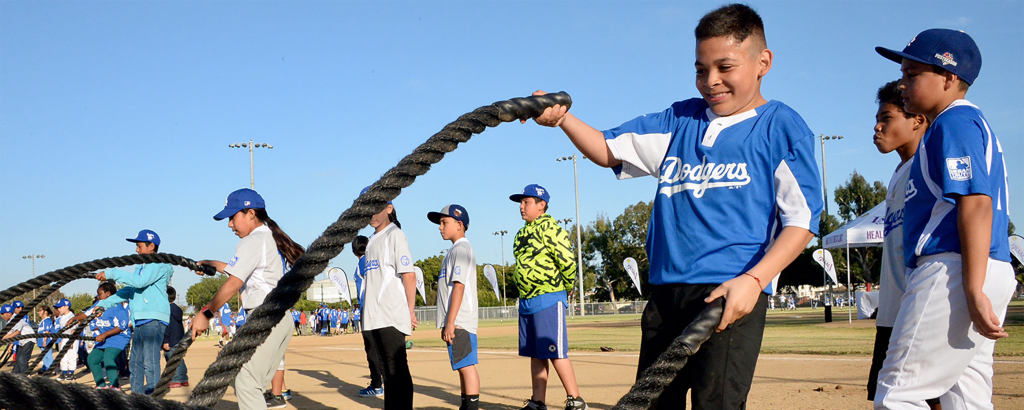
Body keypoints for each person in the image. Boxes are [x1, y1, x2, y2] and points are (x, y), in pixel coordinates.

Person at [527, 5, 822, 408]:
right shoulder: (680, 120)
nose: (711, 80)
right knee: (651, 402)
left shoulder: (780, 126)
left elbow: (801, 220)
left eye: (725, 67)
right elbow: (607, 149)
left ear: (763, 63)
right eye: (701, 69)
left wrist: (755, 281)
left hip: (731, 293)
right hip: (666, 296)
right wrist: (562, 118)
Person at [874, 29, 1015, 409]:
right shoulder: (960, 123)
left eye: (912, 74)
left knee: (898, 394)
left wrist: (972, 287)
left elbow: (976, 203)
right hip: (984, 265)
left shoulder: (954, 122)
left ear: (950, 77)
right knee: (966, 398)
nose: (902, 84)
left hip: (954, 267)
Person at [190, 188, 303, 409]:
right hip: (277, 318)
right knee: (247, 380)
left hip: (265, 318)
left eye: (232, 217)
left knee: (246, 381)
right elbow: (245, 272)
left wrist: (205, 313)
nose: (230, 224)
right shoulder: (267, 237)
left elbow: (235, 283)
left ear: (250, 213)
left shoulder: (253, 240)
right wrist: (214, 264)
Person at [862, 80, 931, 405]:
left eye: (886, 118)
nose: (877, 127)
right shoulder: (900, 170)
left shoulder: (927, 168)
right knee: (886, 396)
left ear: (917, 119)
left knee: (919, 396)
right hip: (891, 311)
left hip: (916, 310)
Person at [507, 184, 587, 410]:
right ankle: (538, 402)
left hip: (548, 297)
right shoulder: (521, 234)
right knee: (536, 354)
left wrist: (568, 286)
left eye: (526, 202)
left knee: (554, 351)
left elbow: (567, 261)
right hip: (527, 301)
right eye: (521, 202)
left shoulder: (551, 229)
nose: (521, 206)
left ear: (541, 205)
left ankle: (576, 400)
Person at [94, 229, 173, 395]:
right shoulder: (141, 266)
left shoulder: (156, 264)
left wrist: (112, 273)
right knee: (135, 362)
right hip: (141, 319)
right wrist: (104, 304)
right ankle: (136, 399)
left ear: (151, 246)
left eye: (139, 246)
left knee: (150, 361)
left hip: (153, 318)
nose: (136, 250)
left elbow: (139, 282)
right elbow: (129, 290)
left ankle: (152, 399)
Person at [360, 187, 416, 409]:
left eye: (376, 208)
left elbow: (408, 275)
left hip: (390, 314)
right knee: (385, 371)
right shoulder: (372, 240)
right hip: (373, 316)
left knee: (397, 369)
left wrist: (410, 311)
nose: (371, 214)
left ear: (389, 208)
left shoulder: (395, 234)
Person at [428, 204, 481, 410]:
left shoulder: (460, 249)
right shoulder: (454, 250)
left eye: (444, 222)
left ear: (459, 225)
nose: (440, 227)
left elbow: (459, 287)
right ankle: (465, 406)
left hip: (460, 321)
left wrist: (451, 322)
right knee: (461, 365)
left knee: (466, 366)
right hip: (456, 320)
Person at [353, 235, 383, 397]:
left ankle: (377, 385)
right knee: (381, 346)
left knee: (371, 348)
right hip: (379, 307)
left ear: (354, 251)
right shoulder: (375, 260)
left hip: (368, 308)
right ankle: (383, 382)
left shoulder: (363, 262)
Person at [85, 281, 130, 390]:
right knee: (92, 359)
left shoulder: (117, 307)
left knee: (108, 358)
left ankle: (115, 386)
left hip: (119, 337)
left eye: (100, 294)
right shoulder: (99, 307)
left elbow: (122, 326)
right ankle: (101, 385)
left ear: (108, 293)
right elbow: (89, 318)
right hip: (105, 338)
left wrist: (104, 334)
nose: (98, 296)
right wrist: (75, 320)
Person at [163, 286, 189, 388]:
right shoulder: (177, 309)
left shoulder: (166, 310)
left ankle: (176, 380)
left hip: (171, 339)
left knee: (172, 359)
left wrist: (166, 341)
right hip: (180, 338)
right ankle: (184, 379)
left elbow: (168, 326)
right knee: (179, 359)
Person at [1, 303, 35, 374]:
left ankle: (24, 375)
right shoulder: (9, 322)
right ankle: (14, 374)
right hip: (22, 341)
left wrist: (4, 339)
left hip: (28, 339)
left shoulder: (16, 319)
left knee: (22, 359)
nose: (1, 316)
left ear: (9, 313)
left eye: (2, 313)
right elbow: (8, 333)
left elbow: (17, 332)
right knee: (17, 359)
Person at [52, 298, 79, 381]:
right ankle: (64, 373)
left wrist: (71, 341)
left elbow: (74, 330)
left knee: (71, 356)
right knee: (63, 356)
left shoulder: (71, 316)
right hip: (64, 338)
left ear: (66, 307)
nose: (59, 309)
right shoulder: (61, 317)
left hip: (71, 338)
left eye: (60, 307)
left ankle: (71, 373)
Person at [35, 305, 56, 375]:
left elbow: (47, 331)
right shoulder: (43, 321)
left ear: (45, 312)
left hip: (46, 341)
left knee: (48, 355)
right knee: (44, 355)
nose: (38, 312)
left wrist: (44, 341)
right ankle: (45, 368)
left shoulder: (47, 320)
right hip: (41, 341)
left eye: (40, 311)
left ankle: (51, 369)